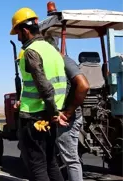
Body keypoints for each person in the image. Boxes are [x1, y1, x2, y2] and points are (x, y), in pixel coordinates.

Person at [10, 7, 68, 181]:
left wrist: (53, 113)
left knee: (37, 167)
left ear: (25, 30)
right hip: (51, 115)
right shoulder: (52, 51)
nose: (18, 38)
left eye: (18, 33)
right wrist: (56, 112)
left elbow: (45, 88)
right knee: (51, 162)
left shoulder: (31, 52)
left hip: (36, 117)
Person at [45, 35, 90, 181]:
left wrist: (68, 112)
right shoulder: (57, 63)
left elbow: (83, 85)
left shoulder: (64, 62)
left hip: (68, 119)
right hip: (62, 117)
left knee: (71, 160)